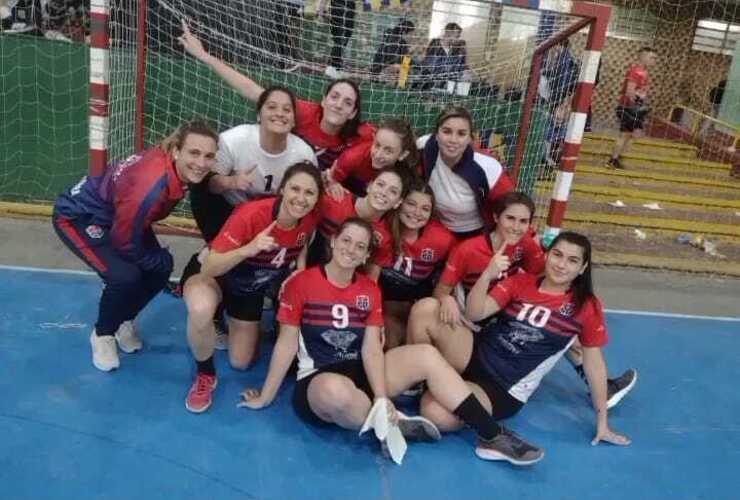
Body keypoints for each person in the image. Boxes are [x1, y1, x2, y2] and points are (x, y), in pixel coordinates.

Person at [241, 219, 545, 466]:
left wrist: (383, 396)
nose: (351, 249)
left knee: (425, 355)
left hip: (362, 372)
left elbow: (372, 348)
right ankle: (391, 425)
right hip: (318, 379)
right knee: (335, 392)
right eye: (346, 240)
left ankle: (492, 435)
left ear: (364, 257)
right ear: (333, 242)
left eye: (360, 246)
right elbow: (285, 344)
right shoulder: (302, 283)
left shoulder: (368, 289)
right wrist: (267, 396)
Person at [409, 192, 638, 408]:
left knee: (562, 325)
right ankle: (420, 378)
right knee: (426, 309)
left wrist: (580, 309)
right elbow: (441, 290)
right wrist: (445, 299)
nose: (516, 227)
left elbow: (549, 279)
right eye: (510, 218)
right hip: (475, 316)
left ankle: (599, 386)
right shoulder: (469, 249)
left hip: (505, 315)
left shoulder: (526, 245)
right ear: (496, 217)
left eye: (523, 221)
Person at [414, 231, 632, 451]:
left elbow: (594, 366)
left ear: (583, 268)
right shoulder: (521, 281)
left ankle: (442, 381)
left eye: (572, 260)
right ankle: (422, 382)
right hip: (476, 353)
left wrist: (603, 422)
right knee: (426, 310)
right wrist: (486, 276)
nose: (561, 264)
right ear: (546, 256)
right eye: (557, 255)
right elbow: (474, 314)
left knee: (435, 414)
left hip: (503, 388)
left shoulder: (586, 307)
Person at [52, 120, 219, 372]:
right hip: (80, 216)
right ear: (176, 151)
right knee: (124, 276)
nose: (202, 162)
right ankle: (102, 334)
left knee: (160, 270)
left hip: (119, 215)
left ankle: (124, 320)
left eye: (209, 156)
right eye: (194, 153)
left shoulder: (174, 168)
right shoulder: (150, 187)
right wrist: (153, 260)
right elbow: (123, 241)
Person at [182, 162, 323, 413]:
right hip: (216, 275)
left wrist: (300, 269)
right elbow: (210, 268)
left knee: (241, 361)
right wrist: (250, 248)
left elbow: (302, 244)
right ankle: (205, 375)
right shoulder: (252, 214)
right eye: (295, 189)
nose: (301, 198)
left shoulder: (309, 219)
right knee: (201, 307)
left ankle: (231, 320)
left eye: (309, 193)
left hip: (249, 287)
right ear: (282, 189)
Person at [183, 85, 317, 349]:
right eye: (272, 107)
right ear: (259, 114)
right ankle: (205, 261)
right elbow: (206, 181)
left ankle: (265, 292)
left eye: (286, 109)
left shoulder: (302, 153)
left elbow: (308, 216)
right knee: (204, 197)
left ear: (294, 119)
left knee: (242, 359)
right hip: (230, 211)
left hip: (272, 218)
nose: (279, 113)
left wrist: (300, 268)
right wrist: (232, 182)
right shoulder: (235, 139)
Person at [178, 21, 374, 171]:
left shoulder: (361, 135)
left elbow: (394, 141)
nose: (338, 104)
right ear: (323, 100)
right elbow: (253, 91)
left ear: (352, 113)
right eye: (334, 96)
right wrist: (205, 56)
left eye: (347, 102)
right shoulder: (303, 112)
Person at [380, 179, 456, 348]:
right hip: (384, 307)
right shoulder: (382, 229)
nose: (417, 213)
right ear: (400, 203)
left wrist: (447, 297)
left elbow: (456, 268)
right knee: (389, 339)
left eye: (425, 209)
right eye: (411, 204)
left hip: (416, 308)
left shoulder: (442, 239)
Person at [417, 107, 514, 238]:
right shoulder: (425, 148)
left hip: (476, 233)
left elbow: (514, 207)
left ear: (470, 138)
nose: (453, 140)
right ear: (436, 134)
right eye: (446, 132)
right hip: (436, 227)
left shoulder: (488, 169)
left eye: (461, 134)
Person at [310, 166, 409, 276]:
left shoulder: (385, 237)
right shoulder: (335, 200)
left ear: (398, 202)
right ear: (369, 186)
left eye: (393, 191)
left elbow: (371, 277)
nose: (384, 193)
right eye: (380, 185)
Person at [325, 118, 419, 196]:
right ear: (374, 138)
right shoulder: (352, 158)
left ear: (402, 155)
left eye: (388, 151)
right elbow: (333, 180)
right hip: (350, 174)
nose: (378, 155)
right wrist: (333, 182)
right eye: (377, 145)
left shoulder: (406, 171)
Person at [607, 47, 657, 170]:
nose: (654, 60)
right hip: (629, 107)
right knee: (626, 135)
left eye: (655, 58)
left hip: (634, 108)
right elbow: (630, 91)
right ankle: (613, 160)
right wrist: (638, 107)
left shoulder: (644, 72)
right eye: (652, 57)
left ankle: (616, 158)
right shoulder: (636, 71)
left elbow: (640, 92)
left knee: (631, 135)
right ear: (643, 57)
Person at [417, 22, 468, 91]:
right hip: (428, 84)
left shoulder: (454, 50)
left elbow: (456, 67)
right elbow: (430, 65)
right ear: (448, 33)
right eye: (457, 36)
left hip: (443, 86)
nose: (458, 39)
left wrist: (463, 71)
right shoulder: (435, 44)